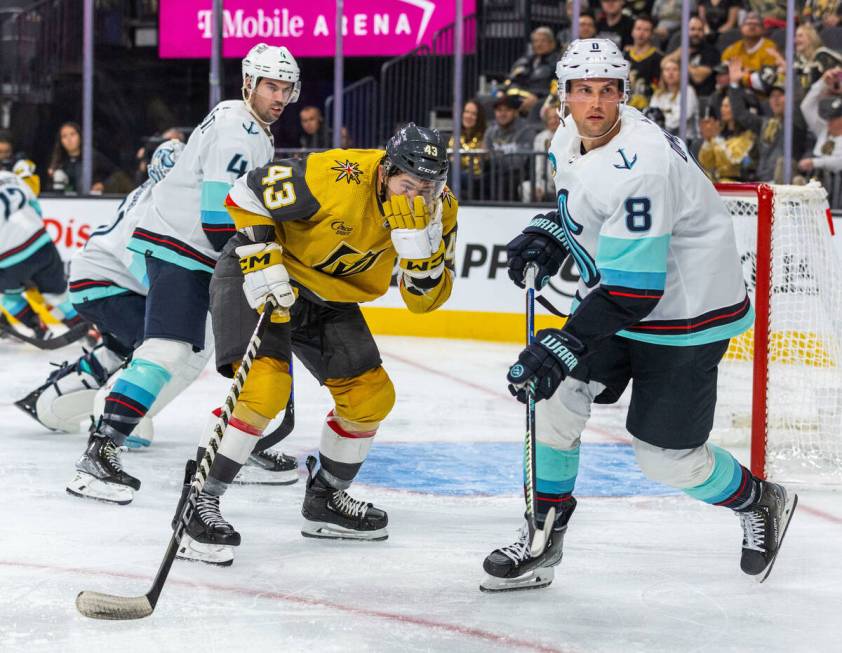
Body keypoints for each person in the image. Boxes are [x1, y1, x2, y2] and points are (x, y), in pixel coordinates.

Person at [481, 38, 797, 592]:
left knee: (668, 462)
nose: (596, 103)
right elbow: (586, 210)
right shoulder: (568, 136)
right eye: (583, 91)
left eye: (608, 91)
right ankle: (543, 535)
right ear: (564, 97)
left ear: (624, 94)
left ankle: (760, 500)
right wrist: (551, 231)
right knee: (552, 399)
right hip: (623, 294)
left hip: (684, 313)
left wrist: (562, 343)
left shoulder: (641, 166)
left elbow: (634, 292)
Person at [171, 123, 458, 564]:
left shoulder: (442, 210)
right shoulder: (335, 175)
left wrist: (422, 261)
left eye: (429, 188)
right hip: (263, 275)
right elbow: (245, 194)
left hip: (329, 296)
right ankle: (199, 500)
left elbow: (424, 304)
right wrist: (263, 260)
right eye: (407, 185)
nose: (416, 199)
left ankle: (325, 499)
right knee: (264, 389)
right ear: (384, 172)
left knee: (370, 397)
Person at [65, 43, 301, 505]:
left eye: (286, 88)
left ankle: (236, 447)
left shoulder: (249, 124)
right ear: (249, 83)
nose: (279, 96)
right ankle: (100, 452)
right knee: (168, 351)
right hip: (182, 249)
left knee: (231, 349)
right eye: (271, 86)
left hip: (194, 251)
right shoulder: (239, 129)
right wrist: (259, 264)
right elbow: (217, 218)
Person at [15, 141, 196, 444]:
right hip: (103, 284)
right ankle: (114, 417)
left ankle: (50, 401)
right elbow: (143, 265)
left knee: (119, 350)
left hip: (100, 281)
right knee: (163, 346)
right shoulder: (155, 207)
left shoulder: (152, 194)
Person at [0, 167, 82, 343]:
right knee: (58, 294)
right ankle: (85, 327)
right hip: (41, 243)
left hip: (8, 257)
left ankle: (38, 329)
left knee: (9, 298)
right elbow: (35, 208)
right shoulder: (11, 177)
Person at [725, 63, 806, 182]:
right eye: (772, 96)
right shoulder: (765, 123)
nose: (776, 99)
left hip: (785, 183)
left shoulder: (797, 121)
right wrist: (734, 85)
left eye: (781, 95)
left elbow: (798, 101)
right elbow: (740, 114)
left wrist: (791, 74)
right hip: (762, 181)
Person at [483, 95, 535, 200]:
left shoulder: (526, 130)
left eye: (507, 110)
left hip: (518, 175)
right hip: (495, 173)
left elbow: (519, 161)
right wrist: (500, 157)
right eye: (499, 110)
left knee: (504, 180)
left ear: (515, 112)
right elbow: (486, 158)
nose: (502, 114)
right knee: (482, 180)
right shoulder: (490, 132)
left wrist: (495, 157)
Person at [698, 95, 757, 182]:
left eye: (727, 106)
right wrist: (708, 140)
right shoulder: (719, 134)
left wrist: (716, 139)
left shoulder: (748, 136)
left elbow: (734, 161)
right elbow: (706, 163)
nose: (722, 109)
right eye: (722, 106)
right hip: (717, 184)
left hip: (737, 186)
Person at [662, 15, 722, 101]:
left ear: (704, 32)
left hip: (700, 97)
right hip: (676, 94)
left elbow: (698, 78)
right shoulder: (678, 46)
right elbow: (663, 64)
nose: (696, 33)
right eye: (692, 29)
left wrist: (684, 60)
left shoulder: (711, 51)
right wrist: (680, 51)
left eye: (699, 30)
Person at [505, 27, 562, 117]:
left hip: (540, 102)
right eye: (535, 41)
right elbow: (511, 80)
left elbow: (557, 88)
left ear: (552, 44)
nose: (538, 44)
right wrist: (502, 91)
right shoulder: (524, 61)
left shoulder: (559, 63)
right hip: (516, 100)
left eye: (543, 41)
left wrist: (538, 98)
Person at [47, 122, 116, 194]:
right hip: (65, 202)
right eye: (64, 136)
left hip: (91, 201)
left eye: (72, 134)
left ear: (80, 136)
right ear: (61, 141)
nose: (69, 139)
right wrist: (51, 178)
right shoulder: (58, 161)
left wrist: (103, 185)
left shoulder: (92, 157)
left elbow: (117, 175)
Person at [798, 68, 842, 175]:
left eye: (834, 118)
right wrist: (823, 82)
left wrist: (815, 162)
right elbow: (806, 106)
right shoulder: (823, 129)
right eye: (829, 118)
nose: (829, 121)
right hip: (818, 182)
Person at [719, 12, 779, 85]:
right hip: (736, 88)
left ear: (763, 29)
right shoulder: (733, 49)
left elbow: (766, 79)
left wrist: (741, 75)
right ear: (741, 28)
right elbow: (723, 72)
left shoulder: (770, 48)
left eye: (756, 24)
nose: (752, 27)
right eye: (748, 24)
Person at [649, 58, 699, 138]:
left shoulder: (688, 91)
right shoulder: (657, 95)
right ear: (663, 74)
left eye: (675, 69)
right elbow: (651, 116)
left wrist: (660, 124)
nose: (670, 73)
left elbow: (682, 118)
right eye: (667, 70)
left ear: (680, 73)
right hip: (661, 138)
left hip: (684, 141)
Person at [448, 99, 488, 198]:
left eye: (473, 114)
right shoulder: (456, 135)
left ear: (479, 118)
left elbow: (478, 164)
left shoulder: (485, 136)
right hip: (458, 173)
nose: (468, 116)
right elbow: (451, 158)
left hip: (476, 177)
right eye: (466, 112)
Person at [625, 15, 663, 104]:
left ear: (651, 34)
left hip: (649, 105)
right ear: (632, 31)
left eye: (646, 30)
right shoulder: (624, 56)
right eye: (638, 29)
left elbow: (658, 86)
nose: (641, 33)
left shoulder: (658, 58)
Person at [794, 23, 842, 92]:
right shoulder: (798, 61)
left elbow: (838, 76)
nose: (796, 40)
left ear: (810, 38)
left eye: (800, 36)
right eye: (796, 36)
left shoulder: (823, 55)